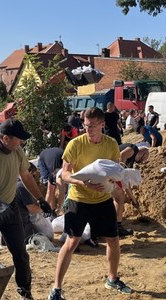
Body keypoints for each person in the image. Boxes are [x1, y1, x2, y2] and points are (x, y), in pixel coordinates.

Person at [48, 107, 131, 300]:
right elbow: (65, 174)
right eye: (86, 126)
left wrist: (119, 179)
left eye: (93, 126)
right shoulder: (75, 144)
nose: (89, 129)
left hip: (102, 200)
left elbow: (113, 169)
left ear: (102, 124)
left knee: (113, 239)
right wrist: (81, 182)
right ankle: (56, 288)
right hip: (79, 199)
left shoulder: (111, 144)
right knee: (71, 241)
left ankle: (112, 278)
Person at [0, 118, 47, 300]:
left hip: (10, 209)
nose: (21, 142)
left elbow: (26, 176)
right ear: (5, 138)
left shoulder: (17, 151)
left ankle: (25, 291)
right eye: (18, 139)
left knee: (20, 253)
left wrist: (40, 199)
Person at [38, 147, 66, 214]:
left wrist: (59, 207)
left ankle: (54, 210)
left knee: (61, 188)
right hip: (43, 158)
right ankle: (51, 210)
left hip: (59, 155)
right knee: (48, 185)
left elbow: (62, 192)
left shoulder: (66, 172)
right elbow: (49, 191)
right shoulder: (53, 175)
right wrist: (45, 209)